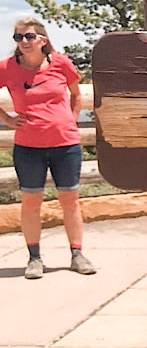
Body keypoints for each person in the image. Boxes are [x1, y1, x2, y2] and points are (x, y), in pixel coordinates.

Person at [0, 17, 94, 279]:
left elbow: (76, 94)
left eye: (29, 36)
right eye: (18, 38)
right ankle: (34, 258)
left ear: (42, 39)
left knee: (70, 201)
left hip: (65, 145)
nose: (24, 42)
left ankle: (77, 254)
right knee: (31, 202)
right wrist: (7, 119)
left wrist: (71, 121)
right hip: (28, 147)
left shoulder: (60, 63)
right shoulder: (7, 67)